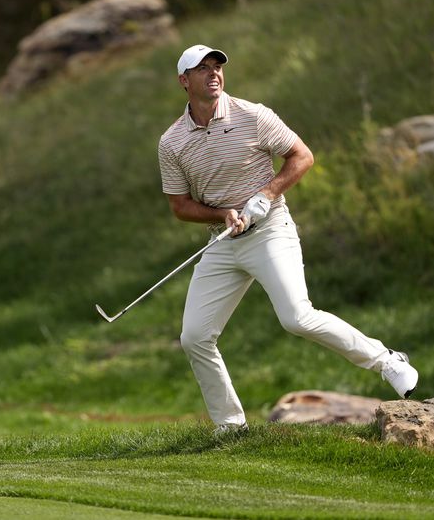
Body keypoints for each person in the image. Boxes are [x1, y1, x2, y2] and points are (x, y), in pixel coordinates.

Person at [158, 44, 418, 434]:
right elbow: (179, 205)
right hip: (222, 239)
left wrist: (266, 194)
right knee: (195, 337)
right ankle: (231, 425)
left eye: (217, 67)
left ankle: (387, 361)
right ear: (184, 81)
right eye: (203, 69)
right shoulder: (172, 142)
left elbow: (302, 156)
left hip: (270, 230)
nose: (214, 74)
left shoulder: (253, 115)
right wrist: (222, 214)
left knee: (297, 318)